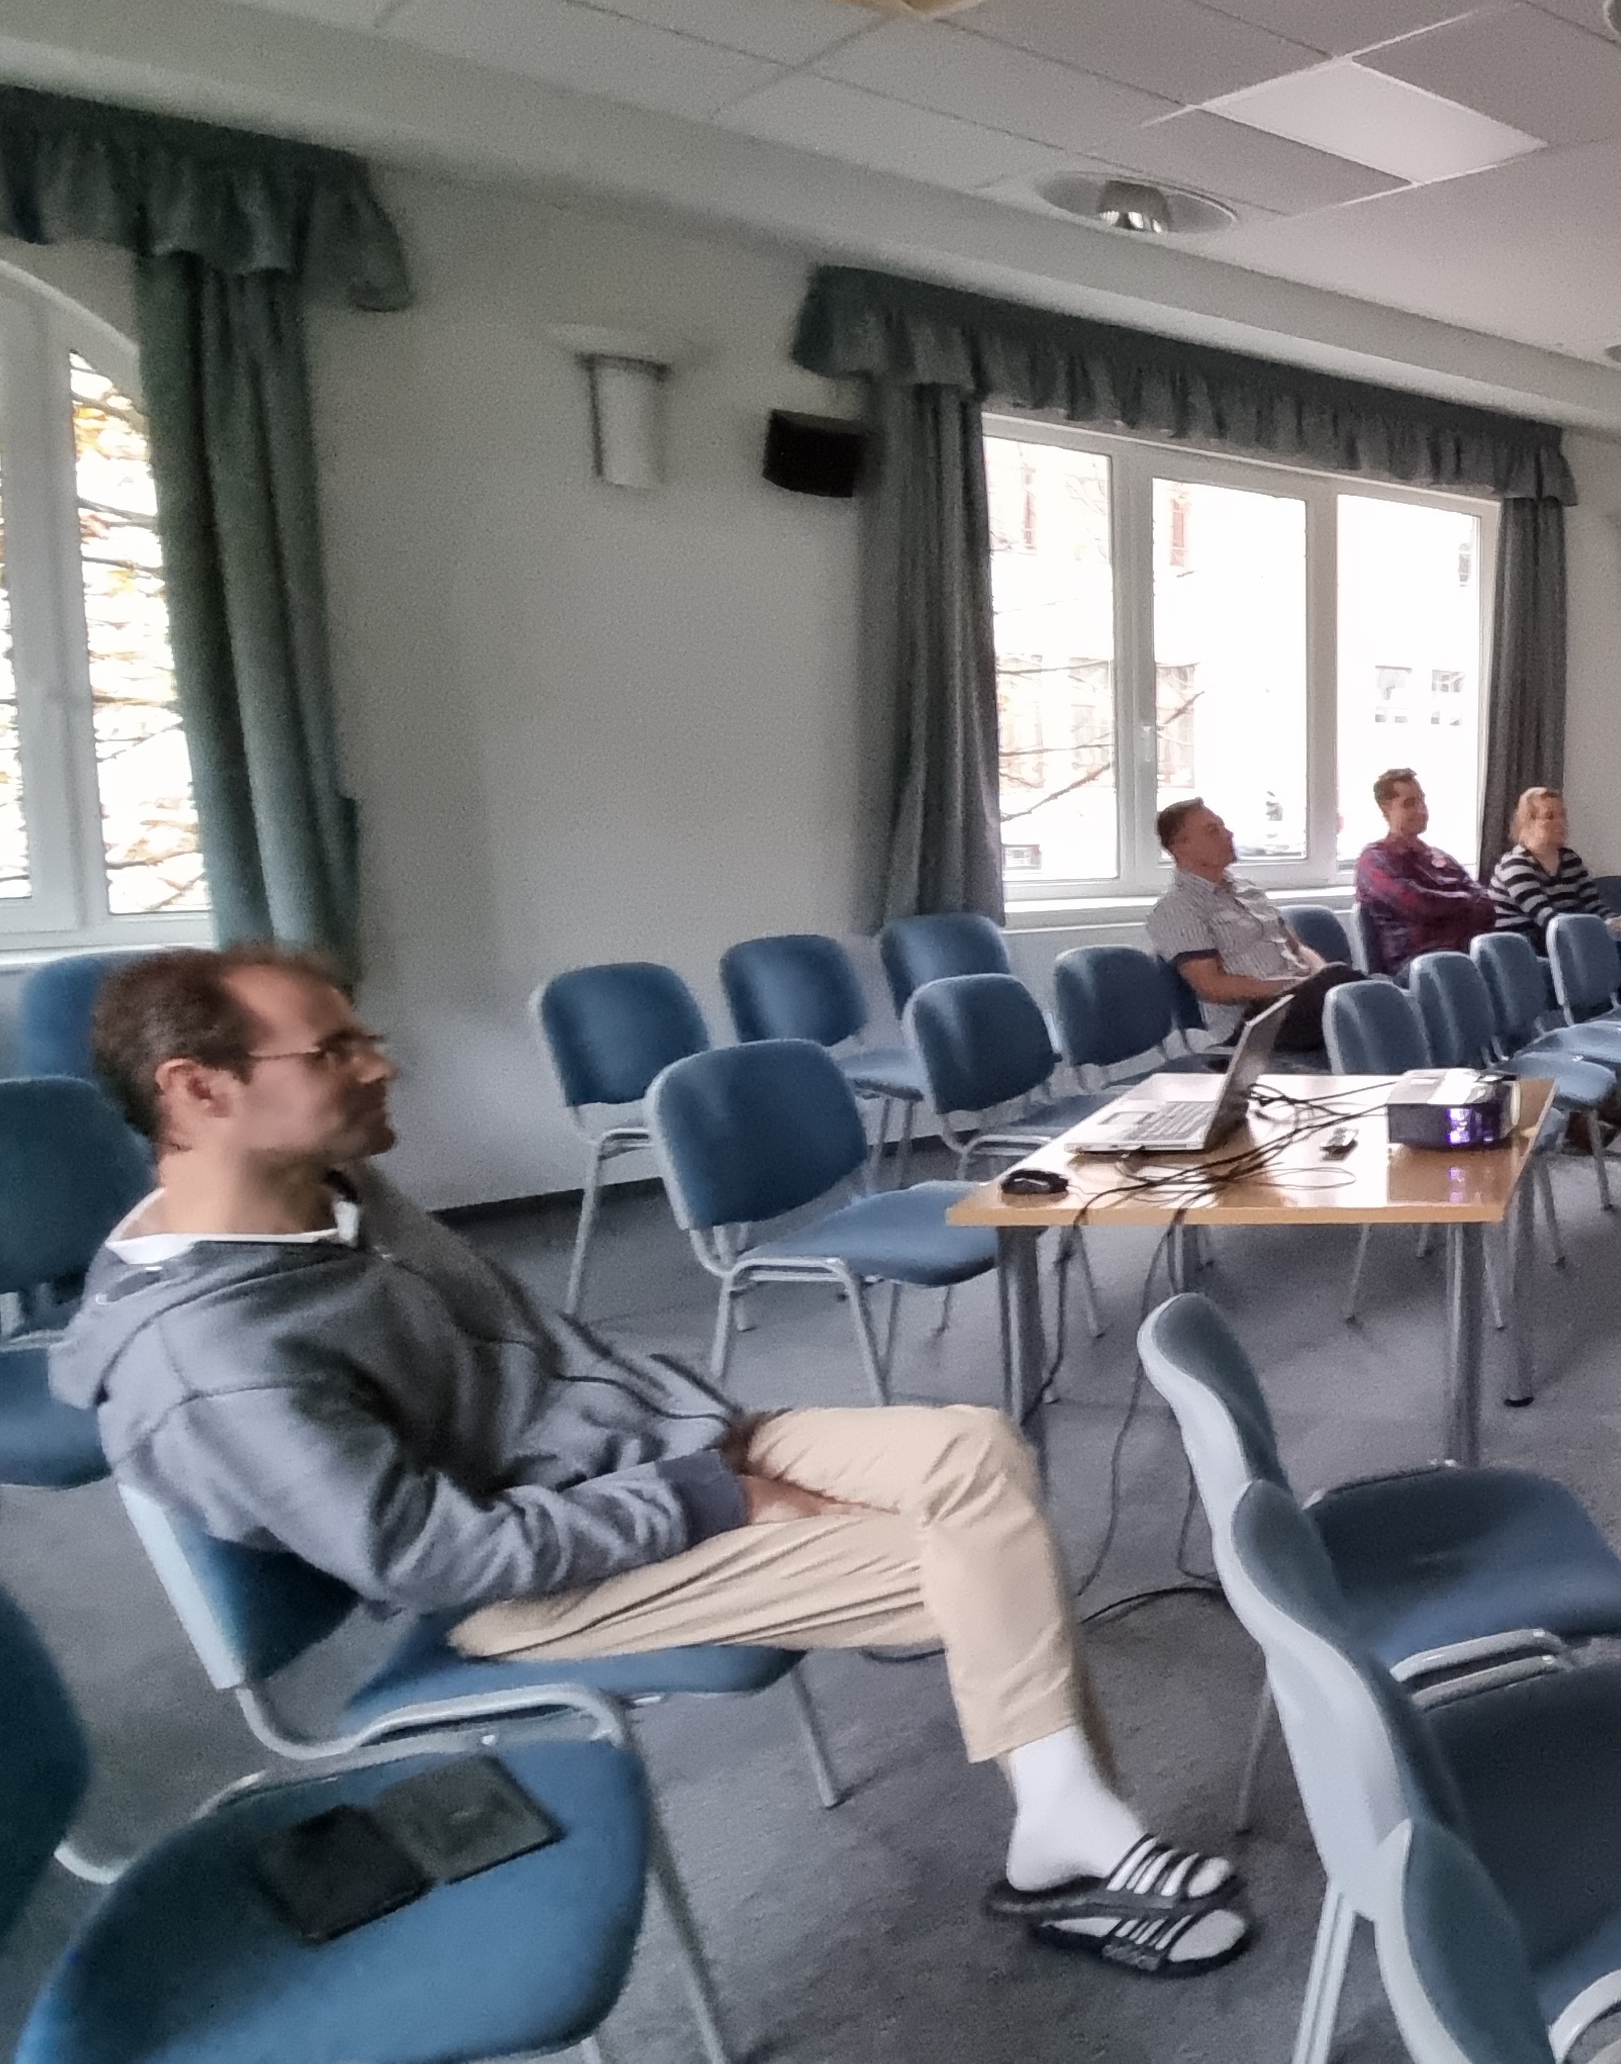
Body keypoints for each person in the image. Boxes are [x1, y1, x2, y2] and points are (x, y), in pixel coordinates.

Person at [50, 945, 1252, 1980]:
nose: (380, 1064)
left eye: (365, 1037)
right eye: (335, 1049)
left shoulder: (330, 1184)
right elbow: (436, 1556)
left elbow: (528, 1366)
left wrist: (696, 1456)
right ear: (197, 1088)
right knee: (976, 1554)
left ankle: (1059, 1822)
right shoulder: (210, 1358)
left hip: (639, 1444)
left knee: (974, 1446)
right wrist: (713, 1494)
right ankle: (1073, 1841)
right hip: (527, 1578)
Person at [1147, 798, 1344, 1057]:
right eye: (1212, 830)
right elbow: (1212, 986)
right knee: (1353, 995)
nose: (1228, 834)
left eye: (1223, 826)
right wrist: (1291, 987)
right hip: (1255, 1022)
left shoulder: (1247, 889)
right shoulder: (1178, 907)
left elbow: (1297, 948)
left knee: (1349, 988)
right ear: (1180, 847)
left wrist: (1321, 977)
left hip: (1299, 998)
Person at [1352, 767, 1497, 973]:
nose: (1421, 809)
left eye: (1422, 800)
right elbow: (1418, 904)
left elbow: (1487, 904)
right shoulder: (1374, 859)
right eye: (1409, 803)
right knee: (1451, 966)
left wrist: (1456, 906)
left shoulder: (1439, 857)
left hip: (1464, 954)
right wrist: (1465, 902)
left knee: (1507, 952)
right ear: (1386, 809)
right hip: (1417, 964)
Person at [1484, 786, 1605, 944]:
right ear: (1529, 823)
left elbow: (1593, 905)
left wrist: (1616, 922)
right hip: (1523, 946)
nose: (1561, 822)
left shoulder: (1570, 859)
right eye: (1550, 816)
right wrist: (1596, 928)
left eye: (1562, 815)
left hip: (1563, 939)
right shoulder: (1515, 865)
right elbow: (1545, 917)